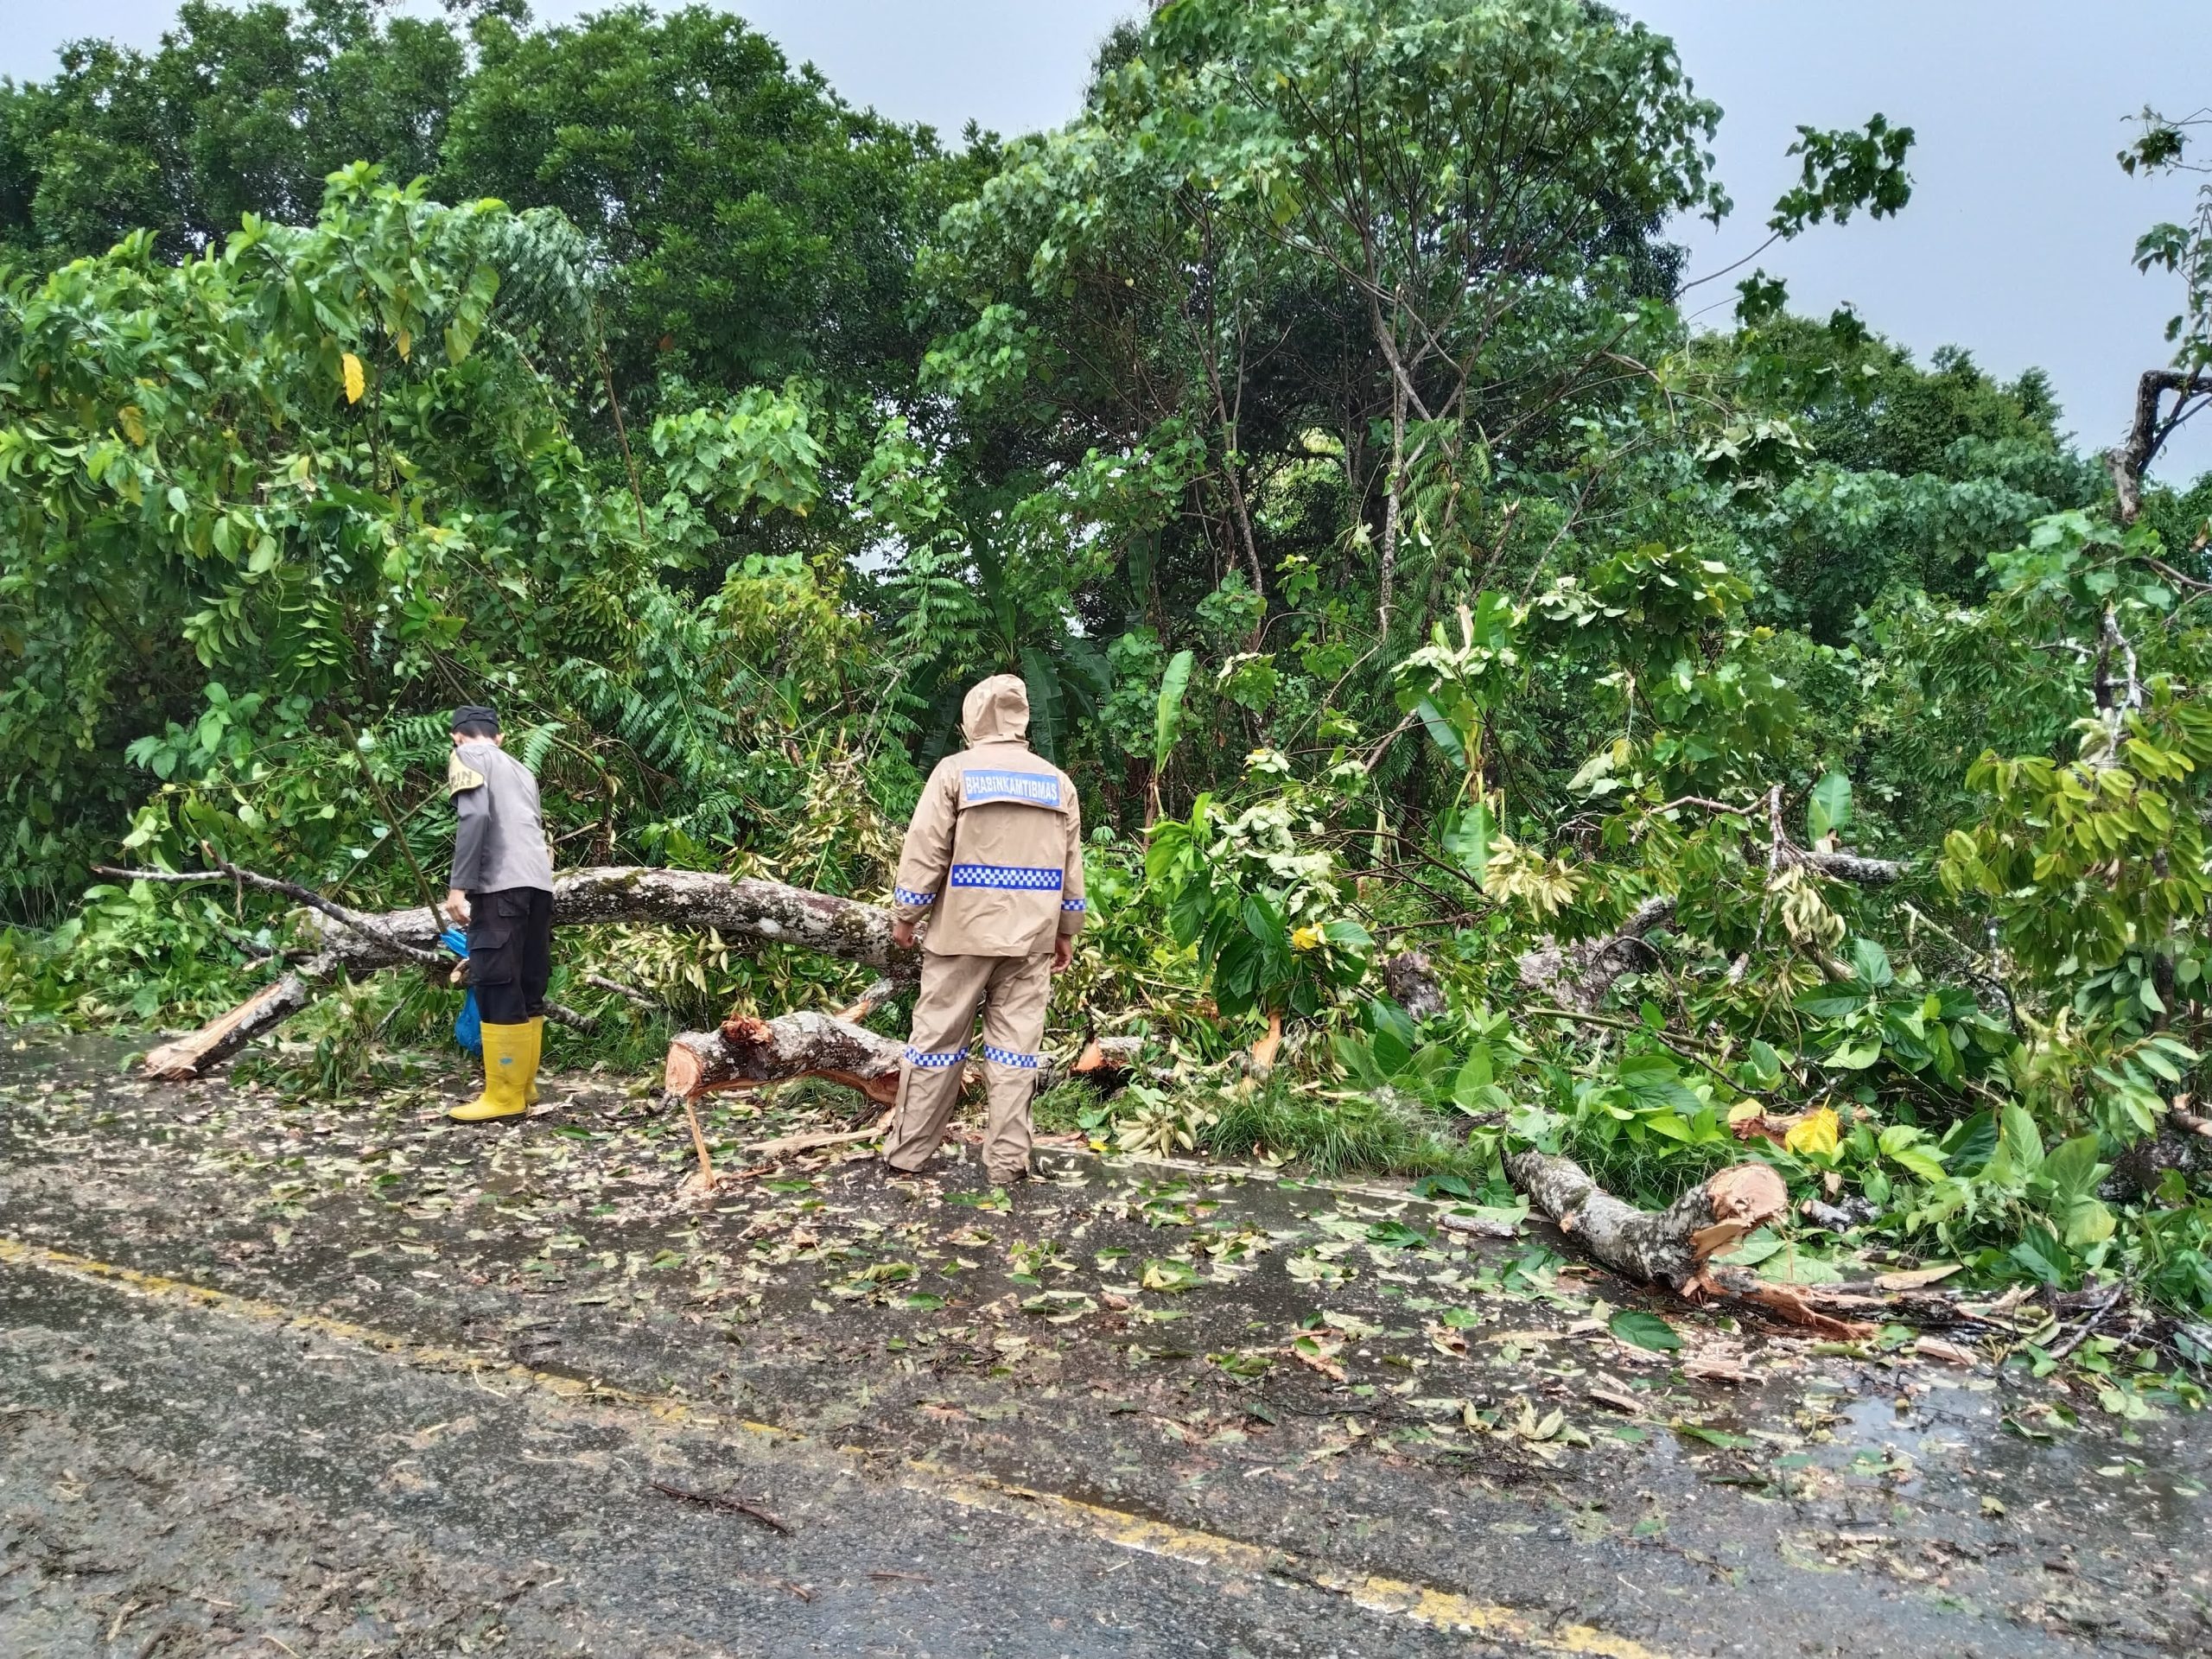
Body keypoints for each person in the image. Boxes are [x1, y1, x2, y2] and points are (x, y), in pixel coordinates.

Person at [883, 675, 1085, 1185]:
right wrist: (1066, 930)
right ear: (1021, 719)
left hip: (960, 936)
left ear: (973, 718)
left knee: (935, 1046)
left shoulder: (955, 772)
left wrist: (906, 914)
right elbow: (1071, 865)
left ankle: (908, 1155)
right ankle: (1007, 1164)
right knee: (1015, 1054)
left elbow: (926, 848)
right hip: (1031, 941)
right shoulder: (1057, 783)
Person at [442, 703, 556, 1122]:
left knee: (496, 980)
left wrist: (459, 886)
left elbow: (475, 816)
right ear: (500, 738)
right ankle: (524, 1086)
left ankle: (504, 1096)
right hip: (539, 885)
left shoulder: (465, 755)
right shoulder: (523, 771)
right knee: (528, 981)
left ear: (456, 735)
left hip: (499, 886)